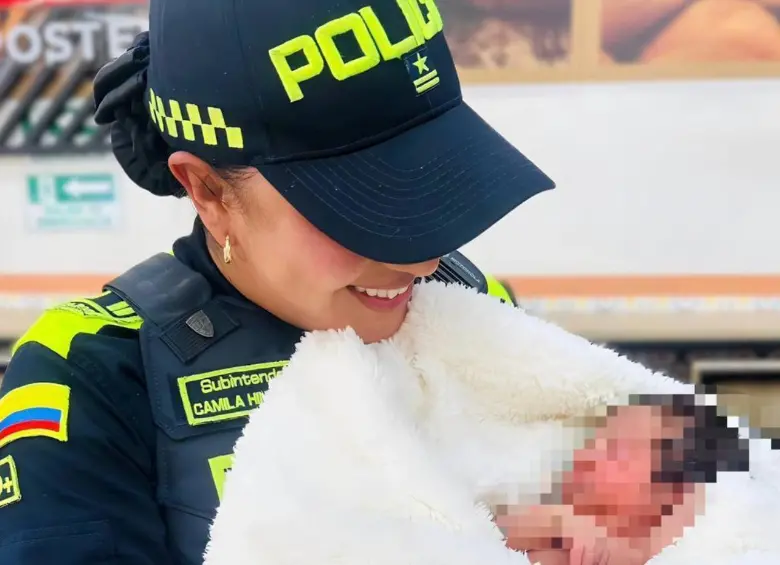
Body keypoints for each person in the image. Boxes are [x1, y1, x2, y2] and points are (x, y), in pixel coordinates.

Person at [0, 0, 555, 563]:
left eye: (437, 182)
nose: (424, 262)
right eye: (362, 207)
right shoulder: (94, 372)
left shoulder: (476, 303)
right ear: (207, 191)